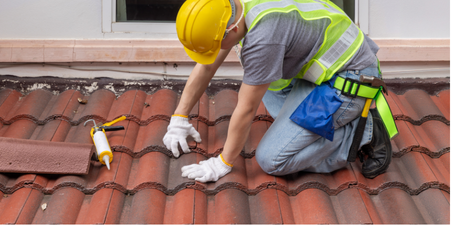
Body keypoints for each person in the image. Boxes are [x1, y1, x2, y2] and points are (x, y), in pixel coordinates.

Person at [162, 0, 397, 183]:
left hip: (351, 79)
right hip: (323, 68)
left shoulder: (264, 38)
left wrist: (223, 163)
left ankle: (363, 132)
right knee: (263, 82)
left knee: (272, 159)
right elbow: (207, 66)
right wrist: (179, 118)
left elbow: (246, 108)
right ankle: (324, 122)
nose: (215, 53)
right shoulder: (232, 9)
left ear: (230, 30)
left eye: (216, 45)